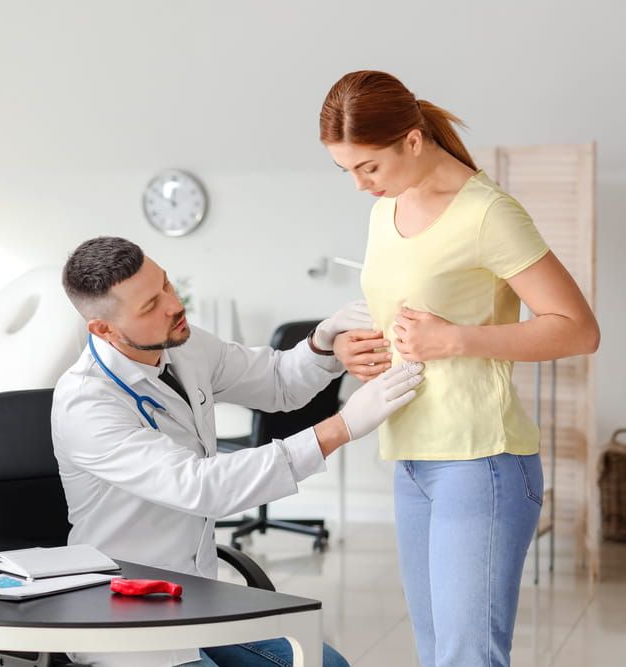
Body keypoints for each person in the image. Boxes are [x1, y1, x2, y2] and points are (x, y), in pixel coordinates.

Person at [319, 70, 601, 667]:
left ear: (413, 141)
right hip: (411, 457)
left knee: (467, 659)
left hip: (483, 462)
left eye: (368, 166)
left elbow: (578, 328)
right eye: (346, 170)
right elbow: (405, 320)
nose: (359, 184)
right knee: (436, 654)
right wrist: (363, 351)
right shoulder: (384, 210)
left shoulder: (487, 212)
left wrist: (456, 340)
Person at [51, 236, 425, 667]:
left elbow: (277, 381)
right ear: (103, 329)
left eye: (167, 286)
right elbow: (203, 487)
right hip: (127, 617)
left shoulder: (183, 344)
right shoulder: (87, 403)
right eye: (150, 305)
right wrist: (340, 428)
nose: (173, 305)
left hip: (196, 600)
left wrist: (324, 343)